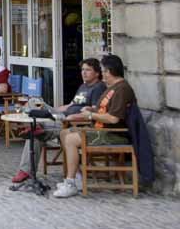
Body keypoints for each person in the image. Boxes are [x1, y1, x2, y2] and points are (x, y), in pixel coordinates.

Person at [11, 58, 107, 183]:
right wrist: (52, 110)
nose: (84, 72)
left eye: (88, 70)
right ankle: (35, 126)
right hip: (61, 115)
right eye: (83, 70)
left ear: (97, 73)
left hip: (70, 122)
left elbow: (94, 112)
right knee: (33, 101)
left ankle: (25, 170)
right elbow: (70, 105)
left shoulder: (98, 87)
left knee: (34, 134)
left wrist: (70, 117)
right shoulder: (83, 86)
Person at [54, 54, 137, 198]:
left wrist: (91, 116)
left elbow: (113, 119)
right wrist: (91, 110)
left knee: (71, 139)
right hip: (102, 129)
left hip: (114, 134)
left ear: (111, 71)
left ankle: (70, 183)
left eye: (104, 71)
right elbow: (103, 109)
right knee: (64, 133)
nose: (103, 74)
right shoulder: (112, 87)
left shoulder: (122, 89)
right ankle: (77, 176)